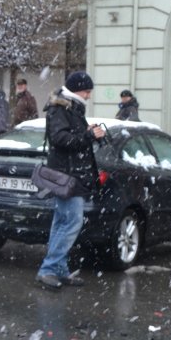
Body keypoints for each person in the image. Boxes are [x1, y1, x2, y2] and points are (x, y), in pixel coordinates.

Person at [35, 71, 106, 290]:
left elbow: (68, 137)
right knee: (72, 222)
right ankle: (48, 269)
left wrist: (86, 132)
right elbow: (60, 139)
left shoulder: (70, 107)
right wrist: (89, 136)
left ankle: (59, 270)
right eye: (87, 91)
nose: (89, 96)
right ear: (77, 90)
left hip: (70, 175)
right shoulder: (61, 108)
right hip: (67, 176)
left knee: (61, 222)